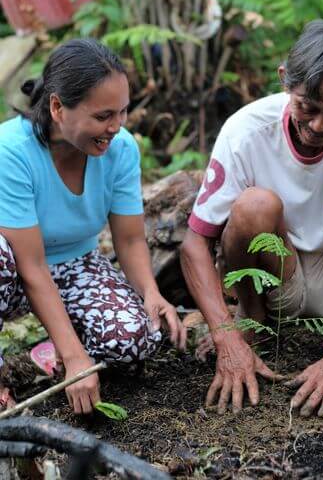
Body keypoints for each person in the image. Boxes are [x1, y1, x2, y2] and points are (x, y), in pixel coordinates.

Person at [181, 19, 323, 418]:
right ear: (285, 80)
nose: (319, 126)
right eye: (307, 107)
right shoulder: (246, 131)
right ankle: (252, 318)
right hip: (276, 276)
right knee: (253, 207)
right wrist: (226, 337)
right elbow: (195, 243)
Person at [0, 38, 186, 414]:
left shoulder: (121, 150)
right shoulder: (11, 151)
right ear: (57, 107)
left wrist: (150, 292)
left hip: (76, 263)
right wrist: (75, 361)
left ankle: (52, 346)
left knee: (135, 339)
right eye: (103, 116)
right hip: (15, 270)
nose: (116, 127)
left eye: (122, 112)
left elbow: (131, 239)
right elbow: (32, 267)